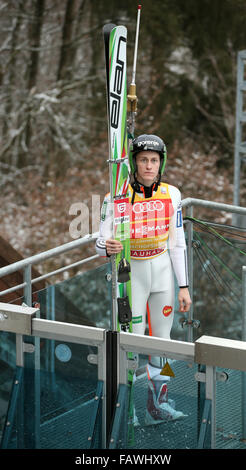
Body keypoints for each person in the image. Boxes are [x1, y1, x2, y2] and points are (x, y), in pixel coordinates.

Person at [96, 134, 192, 424]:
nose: (149, 166)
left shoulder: (172, 194)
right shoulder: (116, 197)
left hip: (162, 271)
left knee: (163, 342)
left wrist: (184, 286)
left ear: (160, 163)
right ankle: (127, 409)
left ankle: (158, 405)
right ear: (134, 163)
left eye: (154, 160)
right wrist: (106, 247)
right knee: (130, 342)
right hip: (131, 273)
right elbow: (100, 241)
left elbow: (178, 244)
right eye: (143, 160)